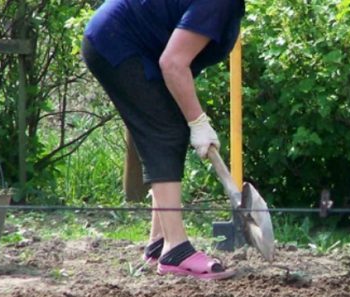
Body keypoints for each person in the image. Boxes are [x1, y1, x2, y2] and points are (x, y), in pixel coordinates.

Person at [82, 0, 245, 280]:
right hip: (116, 41)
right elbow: (172, 63)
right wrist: (198, 122)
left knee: (170, 127)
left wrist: (192, 120)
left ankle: (159, 242)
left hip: (118, 38)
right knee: (166, 131)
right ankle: (176, 251)